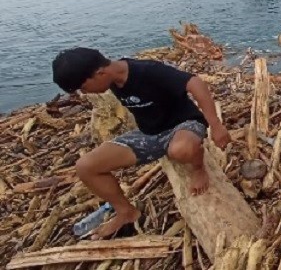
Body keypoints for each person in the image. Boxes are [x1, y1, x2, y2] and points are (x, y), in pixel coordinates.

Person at [52, 48, 229, 239]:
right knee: (85, 167)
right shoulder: (112, 79)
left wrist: (216, 126)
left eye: (84, 88)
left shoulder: (147, 71)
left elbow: (195, 83)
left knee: (180, 150)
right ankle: (126, 213)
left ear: (100, 74)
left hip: (184, 125)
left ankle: (198, 168)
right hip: (149, 135)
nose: (85, 93)